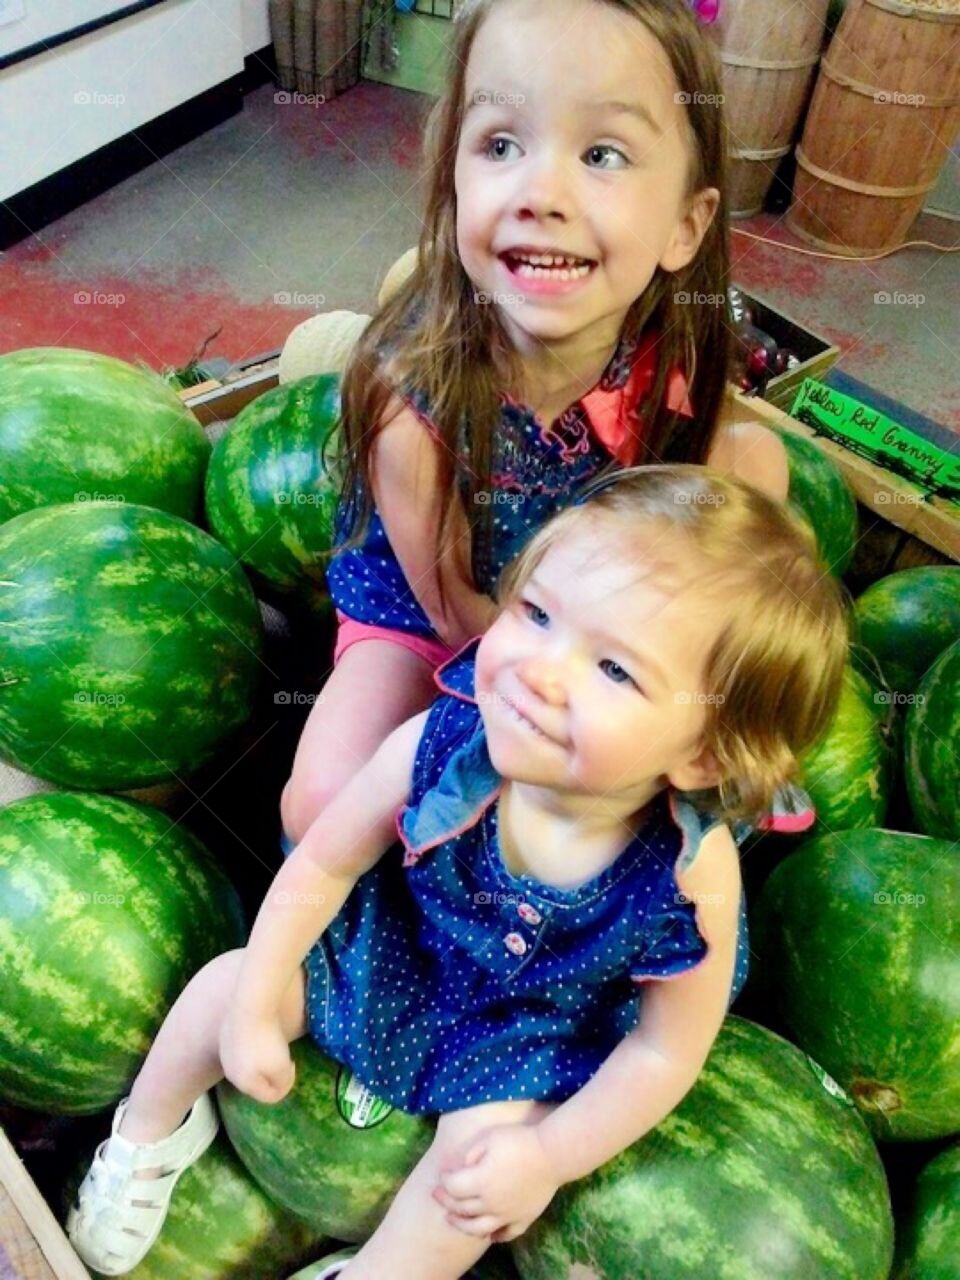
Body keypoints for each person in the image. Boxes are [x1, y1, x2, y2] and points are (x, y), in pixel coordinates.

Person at [67, 465, 849, 1279]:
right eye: (537, 614)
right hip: (398, 950)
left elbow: (664, 1054)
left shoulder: (693, 880)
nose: (539, 672)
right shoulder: (441, 746)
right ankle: (146, 1133)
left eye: (614, 670)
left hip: (532, 1027)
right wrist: (262, 991)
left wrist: (547, 1156)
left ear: (705, 752)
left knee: (476, 1175)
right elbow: (325, 862)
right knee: (221, 987)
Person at [279, 0, 796, 852]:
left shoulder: (675, 369)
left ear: (684, 225)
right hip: (437, 620)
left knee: (756, 469)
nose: (541, 194)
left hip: (600, 630)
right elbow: (459, 616)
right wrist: (578, 721)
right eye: (500, 146)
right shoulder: (409, 396)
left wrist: (660, 690)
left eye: (601, 154)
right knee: (325, 800)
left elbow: (719, 524)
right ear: (453, 181)